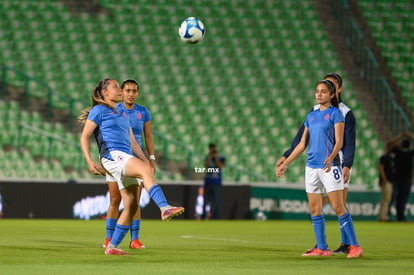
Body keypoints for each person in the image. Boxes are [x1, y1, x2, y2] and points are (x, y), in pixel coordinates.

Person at [79, 78, 184, 255]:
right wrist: (90, 162)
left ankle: (112, 246)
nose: (119, 90)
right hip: (112, 156)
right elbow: (84, 136)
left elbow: (134, 142)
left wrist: (146, 161)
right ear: (105, 92)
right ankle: (164, 207)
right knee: (130, 187)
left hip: (124, 156)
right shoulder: (98, 111)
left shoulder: (123, 114)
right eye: (115, 87)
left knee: (132, 204)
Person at [276, 79, 363, 258]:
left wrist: (331, 159)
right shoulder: (311, 115)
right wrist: (286, 163)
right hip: (311, 167)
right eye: (317, 91)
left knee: (338, 207)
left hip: (330, 167)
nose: (319, 94)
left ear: (332, 95)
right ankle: (322, 248)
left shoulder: (336, 114)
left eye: (323, 91)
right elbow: (301, 144)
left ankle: (355, 246)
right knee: (315, 209)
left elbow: (340, 142)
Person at [102, 78, 155, 250]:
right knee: (115, 198)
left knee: (134, 201)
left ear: (138, 93)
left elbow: (148, 137)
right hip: (115, 156)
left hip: (135, 160)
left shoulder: (143, 112)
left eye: (134, 91)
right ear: (122, 92)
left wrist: (151, 159)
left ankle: (135, 239)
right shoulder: (113, 109)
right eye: (127, 91)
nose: (131, 94)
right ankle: (109, 239)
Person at [392, 132, 414, 222]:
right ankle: (401, 217)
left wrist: (401, 136)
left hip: (397, 178)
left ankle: (399, 216)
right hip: (407, 179)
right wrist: (410, 136)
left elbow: (390, 144)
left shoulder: (398, 152)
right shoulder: (410, 154)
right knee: (403, 198)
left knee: (397, 198)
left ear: (402, 145)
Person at [202, 143, 225, 220]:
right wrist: (209, 158)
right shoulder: (208, 157)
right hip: (208, 182)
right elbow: (205, 165)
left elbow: (221, 167)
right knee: (205, 201)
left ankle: (216, 217)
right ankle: (204, 216)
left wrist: (216, 158)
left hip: (216, 183)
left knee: (216, 202)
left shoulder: (220, 157)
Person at [378, 142, 396, 222]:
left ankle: (383, 215)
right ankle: (383, 216)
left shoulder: (391, 157)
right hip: (386, 181)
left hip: (390, 180)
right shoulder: (384, 157)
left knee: (386, 199)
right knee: (386, 199)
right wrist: (384, 179)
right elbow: (381, 168)